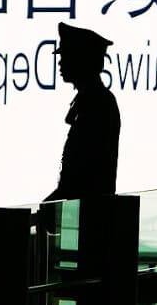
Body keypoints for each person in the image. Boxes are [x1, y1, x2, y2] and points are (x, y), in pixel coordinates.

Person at [44, 22, 121, 201]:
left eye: (67, 56)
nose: (60, 62)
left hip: (89, 214)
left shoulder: (98, 104)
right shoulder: (92, 101)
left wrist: (50, 204)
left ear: (82, 60)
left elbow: (84, 173)